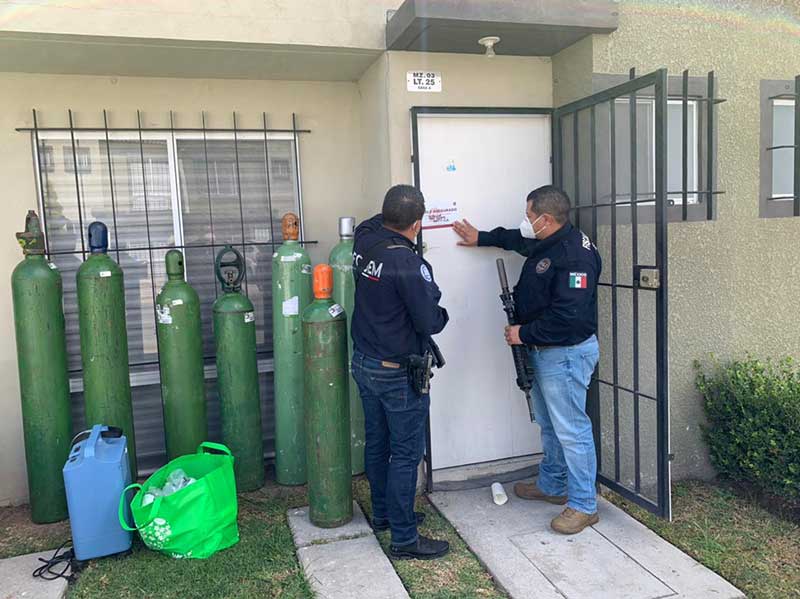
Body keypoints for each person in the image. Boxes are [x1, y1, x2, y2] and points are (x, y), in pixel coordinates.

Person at [453, 185, 602, 535]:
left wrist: (525, 333)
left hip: (564, 353)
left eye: (529, 215)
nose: (526, 221)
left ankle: (584, 505)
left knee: (572, 430)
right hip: (543, 351)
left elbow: (569, 317)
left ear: (546, 219)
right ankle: (552, 484)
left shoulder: (575, 257)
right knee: (550, 424)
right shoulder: (549, 239)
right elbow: (516, 239)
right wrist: (482, 237)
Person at [350, 184, 451, 559]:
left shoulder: (366, 240)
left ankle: (384, 514)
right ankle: (405, 538)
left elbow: (371, 222)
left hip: (365, 363)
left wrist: (397, 213)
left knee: (378, 444)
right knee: (406, 454)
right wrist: (442, 312)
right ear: (417, 224)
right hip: (396, 373)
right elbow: (430, 321)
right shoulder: (408, 264)